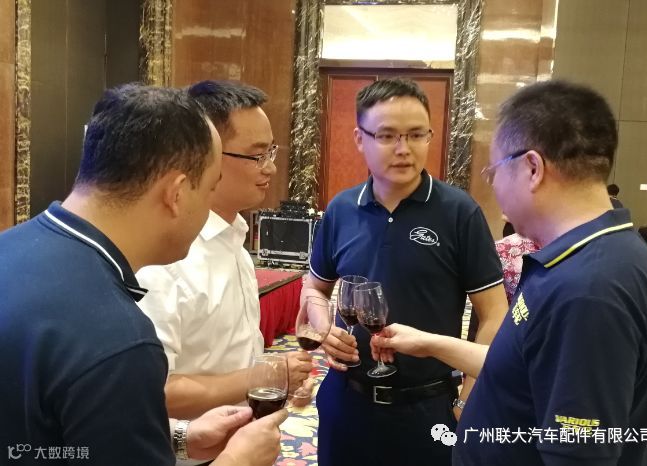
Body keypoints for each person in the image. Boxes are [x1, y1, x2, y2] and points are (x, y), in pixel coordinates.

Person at [372, 80, 647, 466]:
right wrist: (430, 343)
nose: (495, 189)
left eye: (495, 172)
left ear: (532, 168)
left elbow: (578, 455)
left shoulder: (588, 289)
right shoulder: (599, 254)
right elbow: (524, 370)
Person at [0, 84, 286, 466]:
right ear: (177, 193)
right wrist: (240, 459)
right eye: (210, 188)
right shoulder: (118, 336)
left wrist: (179, 437)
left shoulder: (11, 246)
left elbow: (54, 438)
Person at [304, 77, 508, 466]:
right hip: (347, 400)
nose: (404, 149)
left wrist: (468, 399)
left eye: (416, 135)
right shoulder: (342, 209)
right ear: (360, 138)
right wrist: (324, 327)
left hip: (429, 407)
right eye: (387, 136)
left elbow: (494, 312)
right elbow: (315, 287)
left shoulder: (459, 212)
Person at [136, 80, 312, 427]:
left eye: (271, 153)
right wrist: (262, 376)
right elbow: (153, 390)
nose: (270, 168)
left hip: (241, 437)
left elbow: (239, 355)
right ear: (207, 154)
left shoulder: (235, 240)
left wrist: (275, 382)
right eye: (257, 155)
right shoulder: (165, 260)